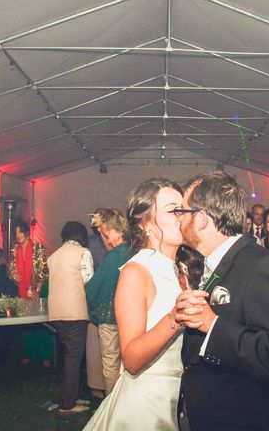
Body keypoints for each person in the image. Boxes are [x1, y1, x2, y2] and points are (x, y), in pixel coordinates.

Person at [175, 171, 269, 431]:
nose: (178, 219)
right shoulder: (212, 263)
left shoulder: (264, 267)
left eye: (182, 211)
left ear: (200, 219)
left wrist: (213, 326)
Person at [83, 178, 187, 430]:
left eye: (183, 208)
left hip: (182, 399)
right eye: (173, 210)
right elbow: (131, 358)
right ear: (146, 223)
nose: (183, 216)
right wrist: (174, 318)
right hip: (147, 406)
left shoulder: (182, 268)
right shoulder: (136, 271)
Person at [48, 221, 94, 415]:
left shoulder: (53, 256)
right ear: (82, 236)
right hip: (75, 312)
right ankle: (67, 404)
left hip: (56, 313)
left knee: (69, 356)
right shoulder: (83, 253)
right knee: (74, 358)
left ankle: (70, 396)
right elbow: (89, 283)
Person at [85, 212, 131, 396]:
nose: (106, 237)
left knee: (110, 361)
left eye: (107, 233)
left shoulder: (113, 257)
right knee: (129, 361)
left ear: (118, 232)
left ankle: (111, 403)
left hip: (110, 318)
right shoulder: (135, 252)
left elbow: (94, 286)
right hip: (130, 316)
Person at [7, 219, 52, 366]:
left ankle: (46, 355)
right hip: (22, 290)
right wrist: (13, 273)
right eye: (16, 232)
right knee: (26, 322)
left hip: (38, 289)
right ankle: (28, 353)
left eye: (20, 231)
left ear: (26, 232)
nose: (18, 235)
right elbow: (10, 268)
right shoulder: (15, 250)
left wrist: (37, 290)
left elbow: (43, 272)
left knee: (40, 324)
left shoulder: (38, 248)